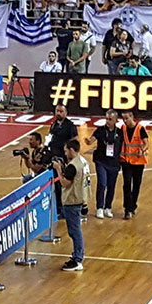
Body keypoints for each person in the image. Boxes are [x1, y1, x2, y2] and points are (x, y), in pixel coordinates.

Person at [54, 139, 90, 272]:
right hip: (81, 197)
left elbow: (64, 183)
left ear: (71, 150)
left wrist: (58, 169)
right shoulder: (83, 161)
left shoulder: (73, 166)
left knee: (75, 231)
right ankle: (77, 256)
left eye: (66, 151)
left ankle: (78, 259)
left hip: (73, 200)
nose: (65, 153)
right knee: (75, 231)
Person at [84, 109, 122, 219]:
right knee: (102, 183)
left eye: (110, 119)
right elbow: (92, 139)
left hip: (114, 163)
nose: (108, 121)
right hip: (101, 161)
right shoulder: (100, 130)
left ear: (115, 120)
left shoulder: (120, 133)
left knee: (111, 186)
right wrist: (88, 141)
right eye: (106, 119)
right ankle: (100, 207)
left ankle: (108, 207)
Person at [47, 104, 79, 215]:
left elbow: (75, 142)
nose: (58, 113)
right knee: (55, 183)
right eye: (57, 111)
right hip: (54, 158)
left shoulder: (70, 126)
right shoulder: (54, 125)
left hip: (64, 160)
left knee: (64, 184)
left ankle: (64, 207)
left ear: (66, 113)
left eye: (61, 111)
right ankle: (56, 207)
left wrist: (70, 158)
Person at [119, 109, 149, 220]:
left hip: (138, 162)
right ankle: (127, 209)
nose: (125, 121)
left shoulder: (140, 128)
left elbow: (146, 143)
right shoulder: (122, 128)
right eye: (123, 119)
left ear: (132, 117)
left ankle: (133, 205)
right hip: (126, 161)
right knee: (126, 184)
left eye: (127, 118)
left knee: (136, 185)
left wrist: (142, 150)